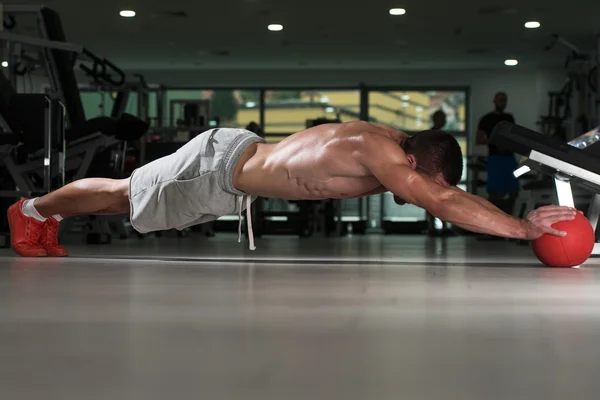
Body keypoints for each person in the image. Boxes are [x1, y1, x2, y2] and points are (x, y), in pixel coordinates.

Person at [7, 121, 576, 257]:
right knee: (120, 194)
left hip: (231, 171)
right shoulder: (379, 151)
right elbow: (445, 201)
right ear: (411, 160)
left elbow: (449, 194)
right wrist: (524, 228)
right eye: (421, 182)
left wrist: (495, 212)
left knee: (121, 194)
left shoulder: (381, 153)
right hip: (218, 170)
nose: (414, 196)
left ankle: (43, 218)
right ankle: (29, 210)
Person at [476, 92, 519, 217]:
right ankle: (495, 223)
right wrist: (495, 141)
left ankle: (509, 220)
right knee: (495, 193)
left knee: (513, 192)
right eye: (500, 99)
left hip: (509, 159)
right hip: (495, 159)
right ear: (494, 101)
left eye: (504, 100)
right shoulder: (486, 119)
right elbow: (478, 140)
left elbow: (514, 136)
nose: (502, 102)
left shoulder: (509, 118)